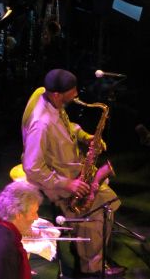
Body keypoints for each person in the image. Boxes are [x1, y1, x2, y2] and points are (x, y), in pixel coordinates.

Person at [21, 69, 124, 277]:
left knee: (106, 199)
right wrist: (66, 184)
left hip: (72, 172)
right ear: (57, 94)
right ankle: (91, 269)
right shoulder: (41, 124)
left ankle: (93, 254)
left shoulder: (50, 99)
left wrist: (85, 136)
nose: (77, 93)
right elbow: (32, 168)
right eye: (72, 91)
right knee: (99, 210)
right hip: (58, 185)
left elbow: (67, 126)